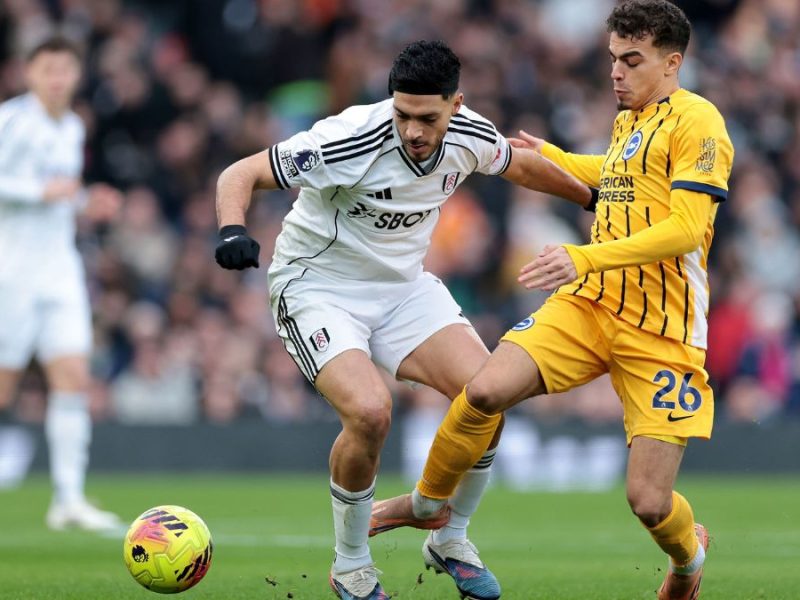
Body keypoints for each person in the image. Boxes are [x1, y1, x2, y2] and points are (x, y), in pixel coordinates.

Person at [369, 3, 734, 600]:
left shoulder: (701, 123)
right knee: (484, 389)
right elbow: (619, 176)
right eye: (613, 58)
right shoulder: (633, 119)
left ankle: (688, 559)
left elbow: (686, 228)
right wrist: (558, 156)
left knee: (647, 501)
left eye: (632, 61)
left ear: (673, 62)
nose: (616, 72)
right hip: (590, 306)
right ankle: (429, 504)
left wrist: (583, 255)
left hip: (662, 331)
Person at [215, 40, 595, 600]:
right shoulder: (348, 139)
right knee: (370, 412)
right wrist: (231, 229)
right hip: (317, 287)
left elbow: (523, 166)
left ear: (455, 105)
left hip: (401, 287)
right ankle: (351, 566)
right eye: (403, 115)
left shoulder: (470, 134)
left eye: (428, 118)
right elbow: (240, 172)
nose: (413, 130)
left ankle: (451, 539)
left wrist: (591, 199)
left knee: (488, 393)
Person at [0, 37, 123, 531]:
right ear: (29, 73)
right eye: (48, 69)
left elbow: (62, 196)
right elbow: (28, 188)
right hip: (13, 271)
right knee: (5, 384)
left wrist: (86, 202)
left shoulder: (72, 126)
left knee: (73, 375)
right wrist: (41, 191)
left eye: (65, 70)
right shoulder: (12, 120)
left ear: (76, 76)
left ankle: (68, 499)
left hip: (61, 270)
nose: (57, 79)